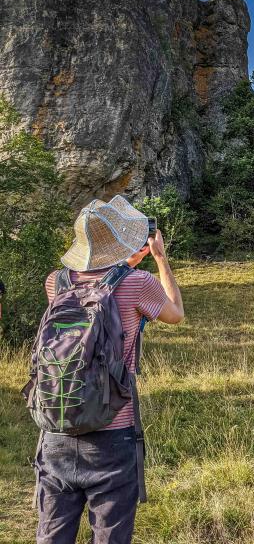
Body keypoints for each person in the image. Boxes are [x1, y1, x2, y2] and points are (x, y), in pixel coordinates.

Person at [34, 195, 184, 544]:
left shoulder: (56, 282)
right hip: (112, 433)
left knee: (52, 535)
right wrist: (159, 258)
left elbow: (96, 289)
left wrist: (127, 260)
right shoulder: (139, 284)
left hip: (57, 428)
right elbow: (175, 312)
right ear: (122, 238)